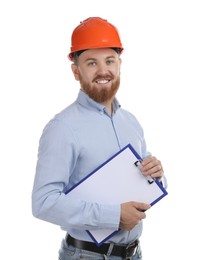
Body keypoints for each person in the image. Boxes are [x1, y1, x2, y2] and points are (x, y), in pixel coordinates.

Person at [32, 17, 166, 260]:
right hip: (87, 256)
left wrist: (157, 175)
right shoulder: (62, 128)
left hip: (134, 253)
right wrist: (113, 216)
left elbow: (149, 184)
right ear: (76, 71)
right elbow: (43, 202)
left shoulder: (130, 122)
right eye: (92, 62)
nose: (103, 71)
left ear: (119, 65)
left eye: (109, 61)